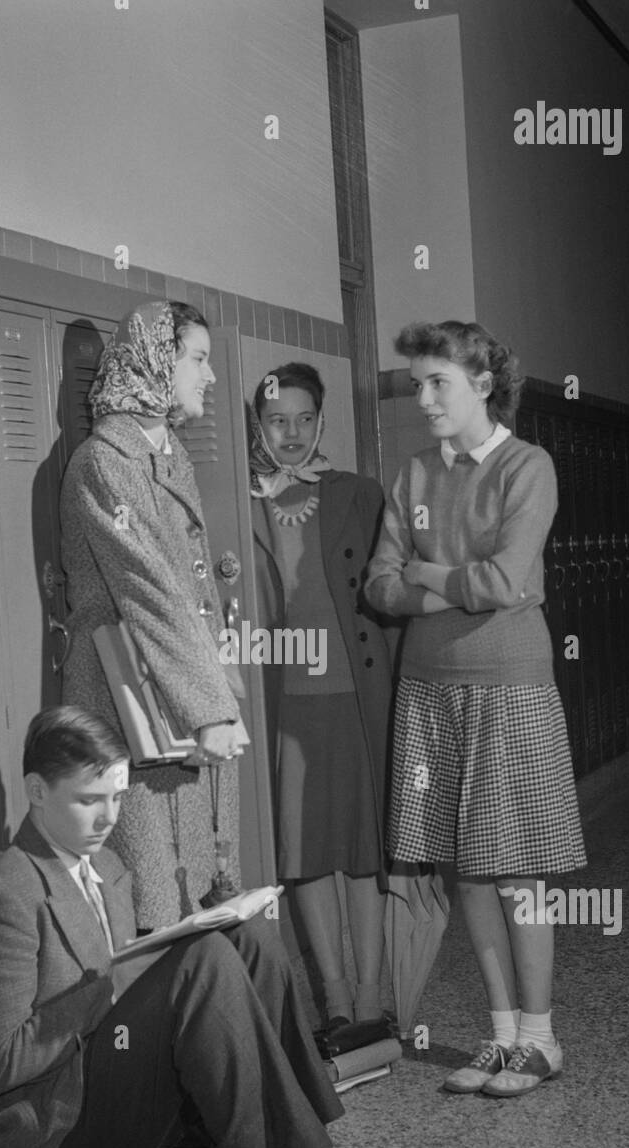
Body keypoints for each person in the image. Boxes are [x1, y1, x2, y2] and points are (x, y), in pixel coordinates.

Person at [0, 705, 404, 1148]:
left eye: (116, 796)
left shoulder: (106, 866)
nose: (108, 816)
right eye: (89, 799)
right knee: (204, 961)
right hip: (60, 1134)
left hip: (112, 1088)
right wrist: (108, 987)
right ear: (36, 792)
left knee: (247, 937)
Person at [364, 321, 586, 1097]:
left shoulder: (529, 467)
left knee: (516, 866)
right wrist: (453, 580)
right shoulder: (413, 475)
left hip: (508, 684)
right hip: (428, 688)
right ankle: (499, 1037)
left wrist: (429, 575)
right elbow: (380, 588)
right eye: (417, 383)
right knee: (468, 870)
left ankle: (541, 1038)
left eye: (437, 384)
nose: (421, 398)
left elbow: (506, 579)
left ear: (483, 386)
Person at [59, 300, 244, 933]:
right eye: (197, 359)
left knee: (200, 887)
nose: (209, 377)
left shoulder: (167, 454)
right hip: (130, 703)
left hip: (177, 695)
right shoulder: (103, 463)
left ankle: (204, 1019)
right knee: (152, 899)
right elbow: (151, 589)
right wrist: (211, 708)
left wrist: (213, 696)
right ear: (156, 362)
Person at [247, 362, 395, 1027]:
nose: (292, 434)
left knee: (362, 854)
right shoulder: (238, 504)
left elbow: (396, 598)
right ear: (259, 424)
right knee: (305, 856)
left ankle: (372, 999)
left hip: (356, 699)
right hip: (285, 711)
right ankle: (335, 1001)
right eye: (278, 420)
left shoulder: (360, 495)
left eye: (305, 420)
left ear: (322, 422)